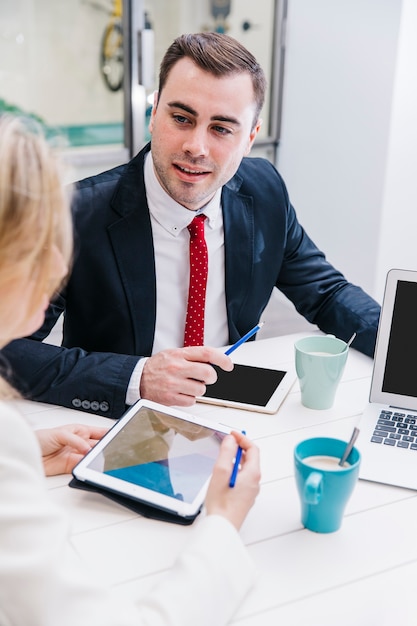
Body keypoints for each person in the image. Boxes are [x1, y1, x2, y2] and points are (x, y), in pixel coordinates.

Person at [2, 32, 380, 420]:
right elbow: (6, 348)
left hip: (230, 408)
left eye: (221, 128)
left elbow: (327, 293)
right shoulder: (74, 212)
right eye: (181, 118)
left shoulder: (265, 190)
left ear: (250, 137)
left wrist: (400, 350)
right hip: (113, 417)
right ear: (153, 114)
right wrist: (137, 377)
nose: (196, 147)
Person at [0, 114, 261, 625]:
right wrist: (225, 527)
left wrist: (23, 451)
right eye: (40, 245)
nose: (59, 267)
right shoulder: (95, 205)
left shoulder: (262, 191)